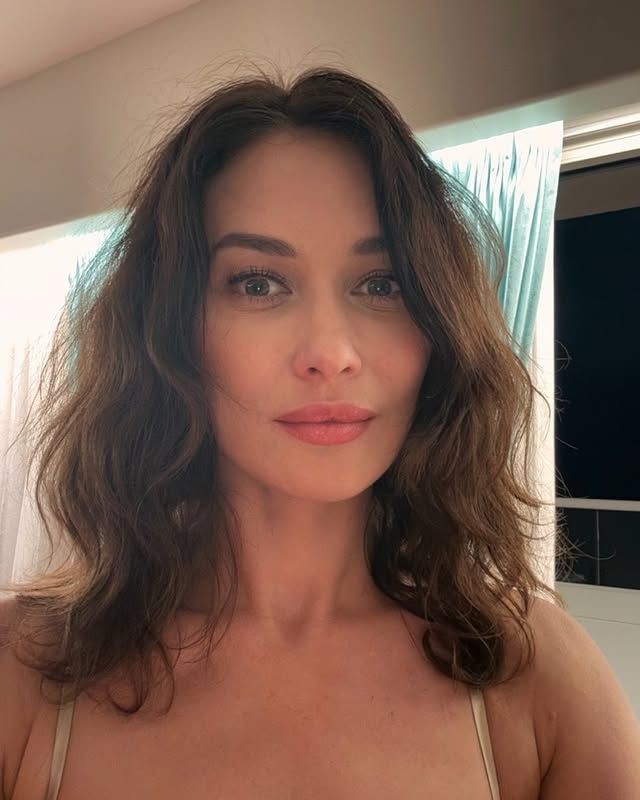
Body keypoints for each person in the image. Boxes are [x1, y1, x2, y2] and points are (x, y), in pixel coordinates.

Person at [1, 63, 638, 800]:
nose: (331, 354)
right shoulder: (23, 671)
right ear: (167, 331)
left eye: (382, 283)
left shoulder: (540, 676)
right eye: (258, 283)